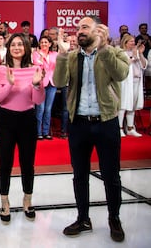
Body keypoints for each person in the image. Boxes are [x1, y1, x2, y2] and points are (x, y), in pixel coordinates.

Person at [53, 16, 129, 243]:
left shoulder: (114, 52)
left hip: (106, 122)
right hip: (78, 124)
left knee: (111, 175)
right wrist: (62, 55)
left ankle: (114, 218)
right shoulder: (73, 56)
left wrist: (105, 49)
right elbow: (58, 82)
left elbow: (121, 74)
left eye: (84, 27)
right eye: (78, 28)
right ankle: (83, 218)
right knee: (79, 175)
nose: (79, 31)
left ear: (99, 31)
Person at [0, 33, 45, 223]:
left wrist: (37, 85)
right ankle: (4, 202)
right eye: (13, 44)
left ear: (26, 48)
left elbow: (38, 100)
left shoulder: (35, 69)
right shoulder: (0, 70)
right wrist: (9, 85)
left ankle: (27, 199)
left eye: (20, 44)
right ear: (8, 48)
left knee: (27, 162)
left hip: (27, 119)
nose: (16, 48)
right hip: (5, 119)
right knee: (5, 162)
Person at [118, 34, 147, 137]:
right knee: (123, 105)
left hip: (136, 82)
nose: (133, 43)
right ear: (125, 43)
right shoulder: (121, 53)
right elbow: (122, 66)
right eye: (131, 41)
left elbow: (144, 66)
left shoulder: (137, 52)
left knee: (133, 106)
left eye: (134, 41)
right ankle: (120, 128)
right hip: (125, 83)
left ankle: (130, 128)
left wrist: (140, 54)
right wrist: (133, 56)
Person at [32, 35, 58, 139]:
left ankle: (46, 132)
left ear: (50, 44)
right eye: (42, 42)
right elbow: (37, 65)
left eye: (46, 42)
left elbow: (56, 66)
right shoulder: (36, 54)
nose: (43, 44)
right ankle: (38, 132)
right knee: (40, 108)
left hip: (52, 83)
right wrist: (42, 61)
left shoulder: (55, 54)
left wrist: (43, 62)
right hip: (41, 82)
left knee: (48, 108)